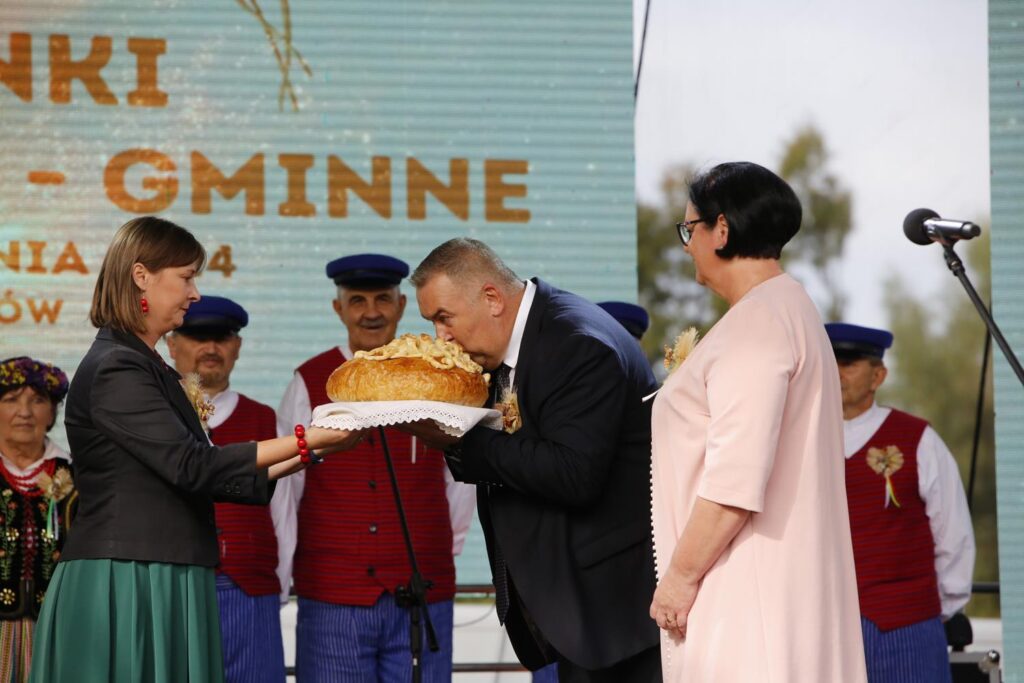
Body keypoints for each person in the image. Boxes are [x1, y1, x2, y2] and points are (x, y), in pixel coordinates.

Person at [28, 216, 360, 683]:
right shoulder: (118, 367)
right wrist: (309, 438)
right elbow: (193, 465)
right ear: (141, 276)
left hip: (157, 570)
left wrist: (313, 450)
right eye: (186, 277)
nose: (195, 293)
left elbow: (206, 473)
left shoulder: (144, 365)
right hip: (129, 577)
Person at [647, 162, 866, 681]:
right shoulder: (785, 308)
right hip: (768, 581)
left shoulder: (758, 325)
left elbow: (734, 479)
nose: (687, 247)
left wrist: (679, 578)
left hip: (747, 590)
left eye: (689, 229)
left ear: (721, 229)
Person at [408, 238, 661, 682]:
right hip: (573, 610)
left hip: (614, 617)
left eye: (444, 318)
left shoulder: (577, 343)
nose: (440, 336)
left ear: (492, 299)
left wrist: (459, 441)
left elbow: (575, 474)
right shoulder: (513, 345)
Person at [275, 253, 475, 682]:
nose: (371, 312)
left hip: (421, 592)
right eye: (357, 301)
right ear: (338, 308)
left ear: (401, 306)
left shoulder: (433, 375)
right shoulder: (310, 380)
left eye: (383, 299)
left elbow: (462, 483)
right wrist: (286, 573)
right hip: (333, 597)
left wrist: (436, 550)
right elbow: (286, 492)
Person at [825, 322, 975, 683]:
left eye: (848, 364)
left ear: (878, 376)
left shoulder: (917, 439)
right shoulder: (802, 440)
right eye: (830, 363)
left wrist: (933, 607)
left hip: (907, 627)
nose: (837, 373)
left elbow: (952, 532)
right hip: (826, 626)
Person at [166, 295, 287, 683]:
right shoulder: (156, 416)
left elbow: (284, 514)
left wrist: (277, 584)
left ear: (237, 346)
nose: (210, 348)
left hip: (249, 588)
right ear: (171, 344)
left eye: (221, 338)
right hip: (174, 587)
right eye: (197, 337)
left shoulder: (264, 419)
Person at [0, 357, 75, 682]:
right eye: (11, 400)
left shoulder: (78, 478)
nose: (25, 412)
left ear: (53, 412)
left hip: (59, 629)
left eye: (38, 401)